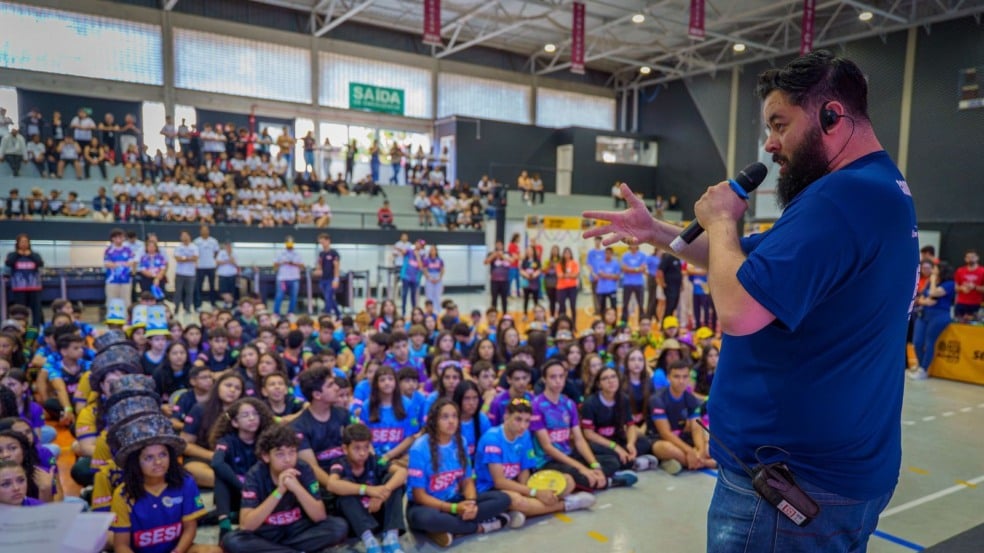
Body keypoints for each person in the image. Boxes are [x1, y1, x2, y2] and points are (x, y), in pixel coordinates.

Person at [584, 50, 917, 550]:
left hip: (790, 485)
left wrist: (721, 220)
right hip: (833, 471)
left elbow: (739, 310)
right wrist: (656, 232)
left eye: (780, 124)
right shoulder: (876, 188)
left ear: (831, 115)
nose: (770, 144)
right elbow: (745, 263)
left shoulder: (838, 200)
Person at [221, 423, 348, 553]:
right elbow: (246, 525)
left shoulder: (304, 469)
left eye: (292, 452)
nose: (288, 460)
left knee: (338, 527)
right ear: (266, 456)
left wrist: (296, 487)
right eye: (280, 454)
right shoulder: (255, 475)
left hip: (298, 530)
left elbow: (319, 516)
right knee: (232, 541)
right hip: (267, 532)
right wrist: (279, 491)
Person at [406, 398, 511, 547]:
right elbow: (419, 495)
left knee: (503, 499)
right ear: (434, 420)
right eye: (445, 417)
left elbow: (467, 480)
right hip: (427, 506)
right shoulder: (419, 448)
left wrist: (471, 504)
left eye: (454, 416)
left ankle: (449, 529)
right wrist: (454, 509)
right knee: (426, 519)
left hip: (455, 499)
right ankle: (480, 527)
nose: (451, 421)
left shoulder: (460, 441)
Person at [109, 413, 220, 553]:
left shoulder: (186, 482)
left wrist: (177, 551)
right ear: (135, 462)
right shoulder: (122, 494)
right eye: (149, 458)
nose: (158, 462)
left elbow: (190, 528)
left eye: (163, 454)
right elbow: (121, 546)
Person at [327, 423, 408, 553]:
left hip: (376, 512)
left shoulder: (375, 460)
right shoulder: (339, 464)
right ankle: (369, 541)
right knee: (344, 490)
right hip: (355, 521)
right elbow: (332, 484)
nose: (363, 453)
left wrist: (384, 492)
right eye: (357, 448)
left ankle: (390, 538)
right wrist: (367, 490)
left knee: (393, 483)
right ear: (345, 449)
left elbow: (402, 472)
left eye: (366, 447)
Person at [909, 262, 955, 380]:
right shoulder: (930, 282)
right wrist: (925, 301)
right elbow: (922, 298)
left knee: (929, 342)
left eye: (935, 268)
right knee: (917, 342)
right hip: (924, 314)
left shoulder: (949, 284)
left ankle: (923, 369)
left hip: (939, 315)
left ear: (941, 270)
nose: (933, 271)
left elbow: (933, 293)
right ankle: (920, 365)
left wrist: (933, 281)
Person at [5, 234, 44, 328]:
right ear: (17, 243)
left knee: (37, 309)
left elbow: (40, 263)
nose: (24, 244)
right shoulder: (12, 255)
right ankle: (21, 327)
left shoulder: (35, 255)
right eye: (22, 242)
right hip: (19, 288)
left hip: (34, 287)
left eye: (26, 242)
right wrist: (18, 254)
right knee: (20, 310)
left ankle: (37, 327)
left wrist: (30, 254)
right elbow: (8, 263)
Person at [104, 228, 136, 310]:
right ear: (112, 238)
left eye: (121, 237)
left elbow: (131, 262)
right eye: (117, 237)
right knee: (111, 300)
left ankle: (126, 319)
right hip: (112, 280)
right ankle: (111, 319)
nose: (119, 239)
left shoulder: (128, 250)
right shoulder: (109, 250)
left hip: (126, 279)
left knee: (126, 301)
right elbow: (107, 263)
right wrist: (119, 264)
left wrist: (118, 264)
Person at [273, 236, 305, 316]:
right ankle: (276, 313)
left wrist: (293, 263)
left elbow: (302, 266)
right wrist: (282, 263)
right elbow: (275, 266)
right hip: (282, 278)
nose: (290, 244)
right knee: (279, 295)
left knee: (294, 296)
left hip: (294, 278)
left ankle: (290, 312)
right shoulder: (280, 253)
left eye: (291, 242)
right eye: (288, 242)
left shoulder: (298, 253)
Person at [172, 231, 199, 318]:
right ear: (180, 238)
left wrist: (183, 258)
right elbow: (177, 258)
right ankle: (175, 309)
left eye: (186, 236)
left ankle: (187, 309)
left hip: (191, 274)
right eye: (183, 236)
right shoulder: (178, 247)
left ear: (189, 236)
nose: (185, 237)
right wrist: (188, 258)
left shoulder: (194, 247)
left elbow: (195, 258)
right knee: (178, 292)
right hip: (180, 273)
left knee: (189, 292)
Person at [194, 225, 220, 311]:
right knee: (199, 286)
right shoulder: (196, 241)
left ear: (208, 231)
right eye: (203, 230)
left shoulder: (214, 241)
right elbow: (194, 254)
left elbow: (216, 252)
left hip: (211, 266)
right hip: (200, 267)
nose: (205, 231)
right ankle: (198, 304)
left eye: (206, 230)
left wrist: (213, 260)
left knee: (212, 286)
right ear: (200, 231)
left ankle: (213, 303)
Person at [315, 233, 341, 318]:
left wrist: (336, 279)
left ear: (328, 241)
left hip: (331, 279)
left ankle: (327, 315)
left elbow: (336, 267)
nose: (322, 244)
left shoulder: (334, 253)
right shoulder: (321, 254)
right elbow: (319, 264)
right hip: (323, 279)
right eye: (320, 243)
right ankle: (338, 315)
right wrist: (318, 270)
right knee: (328, 298)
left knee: (329, 296)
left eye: (323, 242)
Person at [953, 249, 983, 322]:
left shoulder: (982, 271)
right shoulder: (960, 271)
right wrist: (961, 288)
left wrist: (974, 287)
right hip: (961, 303)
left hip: (976, 304)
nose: (970, 259)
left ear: (977, 258)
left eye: (972, 257)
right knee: (958, 325)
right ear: (965, 259)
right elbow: (955, 287)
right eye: (968, 257)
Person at [485, 241, 511, 314]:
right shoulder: (491, 254)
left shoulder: (507, 253)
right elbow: (486, 262)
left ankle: (505, 313)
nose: (499, 246)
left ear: (503, 246)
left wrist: (502, 256)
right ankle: (493, 313)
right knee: (494, 298)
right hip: (494, 281)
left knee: (504, 299)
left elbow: (511, 261)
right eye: (497, 245)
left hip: (505, 280)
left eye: (500, 245)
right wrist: (494, 255)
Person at [555, 247, 580, 321]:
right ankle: (562, 322)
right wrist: (570, 274)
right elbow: (559, 275)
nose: (567, 254)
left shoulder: (574, 263)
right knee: (562, 306)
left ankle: (573, 324)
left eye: (568, 253)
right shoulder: (559, 264)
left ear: (571, 254)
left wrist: (565, 275)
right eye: (565, 253)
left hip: (572, 288)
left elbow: (575, 275)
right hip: (561, 288)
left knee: (573, 306)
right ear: (563, 254)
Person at [422, 245, 445, 310]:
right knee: (429, 295)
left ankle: (438, 310)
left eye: (434, 250)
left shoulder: (440, 260)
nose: (432, 251)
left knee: (437, 295)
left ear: (436, 251)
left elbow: (442, 270)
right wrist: (429, 278)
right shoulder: (426, 260)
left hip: (438, 278)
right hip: (429, 278)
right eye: (431, 250)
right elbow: (425, 270)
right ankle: (429, 309)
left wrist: (439, 278)